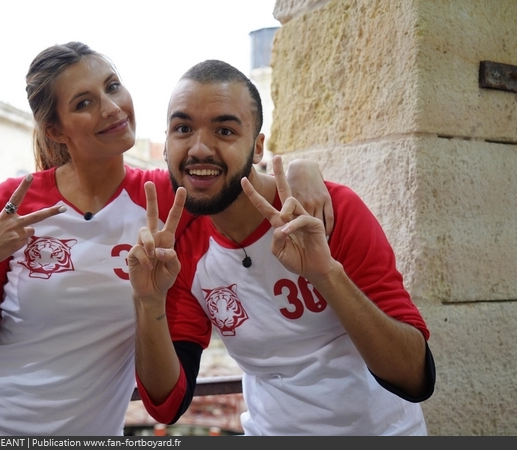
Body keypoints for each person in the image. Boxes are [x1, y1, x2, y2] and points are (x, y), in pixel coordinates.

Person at [0, 42, 332, 436]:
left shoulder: (168, 201)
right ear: (55, 129)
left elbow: (234, 178)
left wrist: (301, 170)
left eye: (112, 86)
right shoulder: (15, 200)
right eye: (84, 103)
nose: (111, 107)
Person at [128, 59, 436, 435]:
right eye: (183, 128)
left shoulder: (324, 212)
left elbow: (415, 377)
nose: (199, 148)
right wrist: (148, 301)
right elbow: (167, 404)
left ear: (257, 147)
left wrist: (325, 274)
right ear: (165, 143)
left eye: (224, 130)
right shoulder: (179, 250)